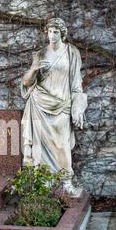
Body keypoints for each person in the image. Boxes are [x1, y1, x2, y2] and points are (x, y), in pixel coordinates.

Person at [21, 17, 87, 194]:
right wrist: (34, 69)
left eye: (56, 32)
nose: (52, 35)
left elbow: (76, 85)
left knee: (62, 145)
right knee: (38, 147)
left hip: (61, 105)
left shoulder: (72, 53)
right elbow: (27, 82)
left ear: (62, 33)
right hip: (39, 103)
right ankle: (42, 183)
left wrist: (78, 107)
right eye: (49, 32)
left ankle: (66, 182)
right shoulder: (40, 54)